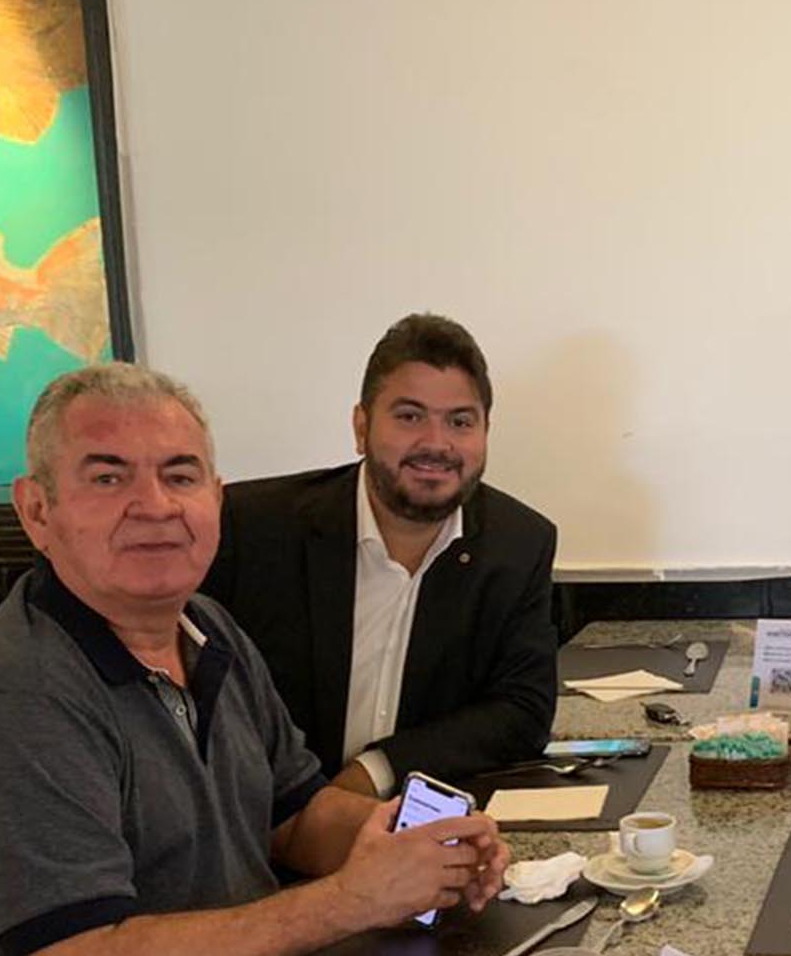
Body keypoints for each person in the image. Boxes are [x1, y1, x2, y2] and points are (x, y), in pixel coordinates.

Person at [0, 362, 511, 956]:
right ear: (37, 510)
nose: (154, 507)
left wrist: (417, 844)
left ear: (216, 499)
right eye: (108, 478)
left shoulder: (204, 627)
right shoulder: (16, 697)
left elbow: (292, 816)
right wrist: (351, 900)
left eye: (180, 475)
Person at [202, 312, 556, 796]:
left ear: (486, 431)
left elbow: (522, 709)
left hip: (409, 823)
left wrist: (377, 771)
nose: (436, 443)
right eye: (409, 416)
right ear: (361, 425)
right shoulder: (251, 527)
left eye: (460, 421)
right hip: (259, 827)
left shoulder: (518, 544)